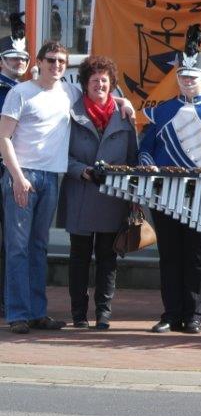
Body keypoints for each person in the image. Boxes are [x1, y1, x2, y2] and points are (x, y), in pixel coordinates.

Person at [138, 25, 201, 335]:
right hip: (166, 192)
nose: (187, 81)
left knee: (198, 256)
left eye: (192, 78)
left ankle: (195, 314)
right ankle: (171, 313)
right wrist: (148, 168)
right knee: (170, 256)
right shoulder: (161, 111)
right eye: (183, 77)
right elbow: (146, 149)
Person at [1, 40, 76, 334]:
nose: (56, 65)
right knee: (18, 248)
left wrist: (123, 104)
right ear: (40, 62)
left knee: (38, 247)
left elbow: (103, 94)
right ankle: (18, 314)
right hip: (23, 177)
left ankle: (37, 312)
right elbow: (3, 137)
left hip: (51, 177)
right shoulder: (20, 92)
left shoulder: (69, 92)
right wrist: (17, 177)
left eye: (61, 61)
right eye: (51, 60)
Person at [64, 56, 138, 330]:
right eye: (94, 80)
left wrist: (132, 193)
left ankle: (104, 313)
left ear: (112, 84)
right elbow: (59, 154)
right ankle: (78, 314)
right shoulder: (71, 114)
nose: (100, 85)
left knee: (108, 258)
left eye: (104, 80)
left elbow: (133, 157)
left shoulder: (124, 115)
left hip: (113, 196)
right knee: (79, 257)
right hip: (81, 193)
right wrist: (81, 170)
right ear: (85, 84)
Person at [0, 11, 31, 321]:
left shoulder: (28, 90)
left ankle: (8, 299)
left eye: (22, 58)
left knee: (14, 240)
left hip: (18, 170)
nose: (19, 62)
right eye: (13, 57)